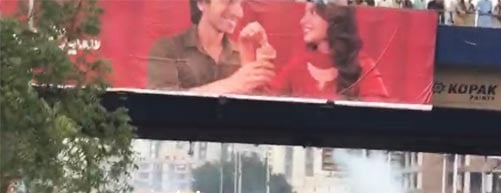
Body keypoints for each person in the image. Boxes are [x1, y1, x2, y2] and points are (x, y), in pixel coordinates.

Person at [269, 1, 389, 101]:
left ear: (334, 17)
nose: (302, 21)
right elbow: (269, 102)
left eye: (313, 13)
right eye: (305, 13)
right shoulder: (296, 66)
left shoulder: (362, 65)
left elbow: (379, 113)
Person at [147, 0, 275, 93]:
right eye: (228, 2)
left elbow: (256, 112)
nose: (239, 13)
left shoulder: (240, 53)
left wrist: (248, 60)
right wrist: (232, 84)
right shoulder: (167, 49)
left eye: (240, 4)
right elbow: (162, 105)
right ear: (201, 3)